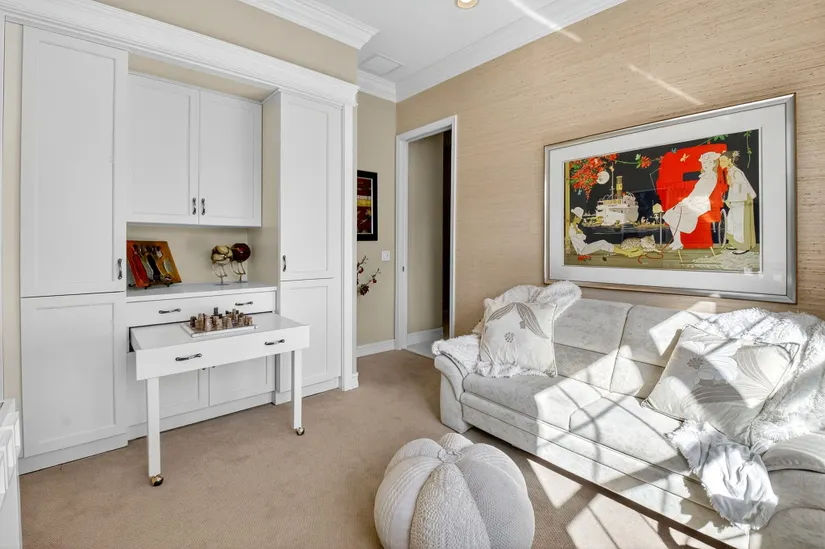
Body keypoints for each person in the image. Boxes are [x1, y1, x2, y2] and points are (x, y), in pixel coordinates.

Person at [662, 151, 723, 251]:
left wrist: (688, 202)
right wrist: (686, 201)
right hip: (693, 201)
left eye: (709, 162)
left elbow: (702, 193)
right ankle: (677, 241)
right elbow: (695, 192)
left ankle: (678, 242)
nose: (706, 164)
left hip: (699, 203)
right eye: (704, 162)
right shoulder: (705, 175)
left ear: (714, 164)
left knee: (674, 214)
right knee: (670, 213)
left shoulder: (711, 176)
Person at [719, 151, 757, 251]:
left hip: (741, 200)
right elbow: (732, 188)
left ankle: (743, 246)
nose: (721, 163)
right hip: (735, 200)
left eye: (723, 160)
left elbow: (743, 187)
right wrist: (728, 200)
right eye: (720, 161)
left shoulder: (736, 172)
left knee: (740, 222)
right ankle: (735, 243)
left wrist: (736, 199)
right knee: (732, 221)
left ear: (730, 160)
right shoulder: (730, 171)